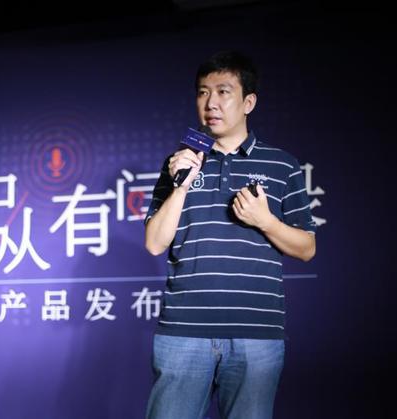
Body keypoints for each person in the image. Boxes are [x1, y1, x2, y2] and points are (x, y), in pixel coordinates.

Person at [144, 50, 316, 419]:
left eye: (223, 92)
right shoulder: (177, 163)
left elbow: (306, 248)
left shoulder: (282, 165)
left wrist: (265, 220)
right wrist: (181, 185)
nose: (211, 103)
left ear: (248, 102)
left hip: (256, 334)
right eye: (203, 92)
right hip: (183, 331)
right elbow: (155, 243)